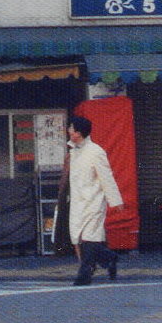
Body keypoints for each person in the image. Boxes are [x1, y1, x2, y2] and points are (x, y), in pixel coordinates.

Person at [66, 114, 123, 286]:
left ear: (79, 133)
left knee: (91, 237)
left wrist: (115, 200)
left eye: (71, 128)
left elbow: (106, 177)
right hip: (77, 201)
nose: (69, 131)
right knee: (76, 236)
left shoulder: (96, 152)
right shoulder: (73, 151)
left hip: (93, 201)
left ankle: (84, 274)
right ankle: (110, 258)